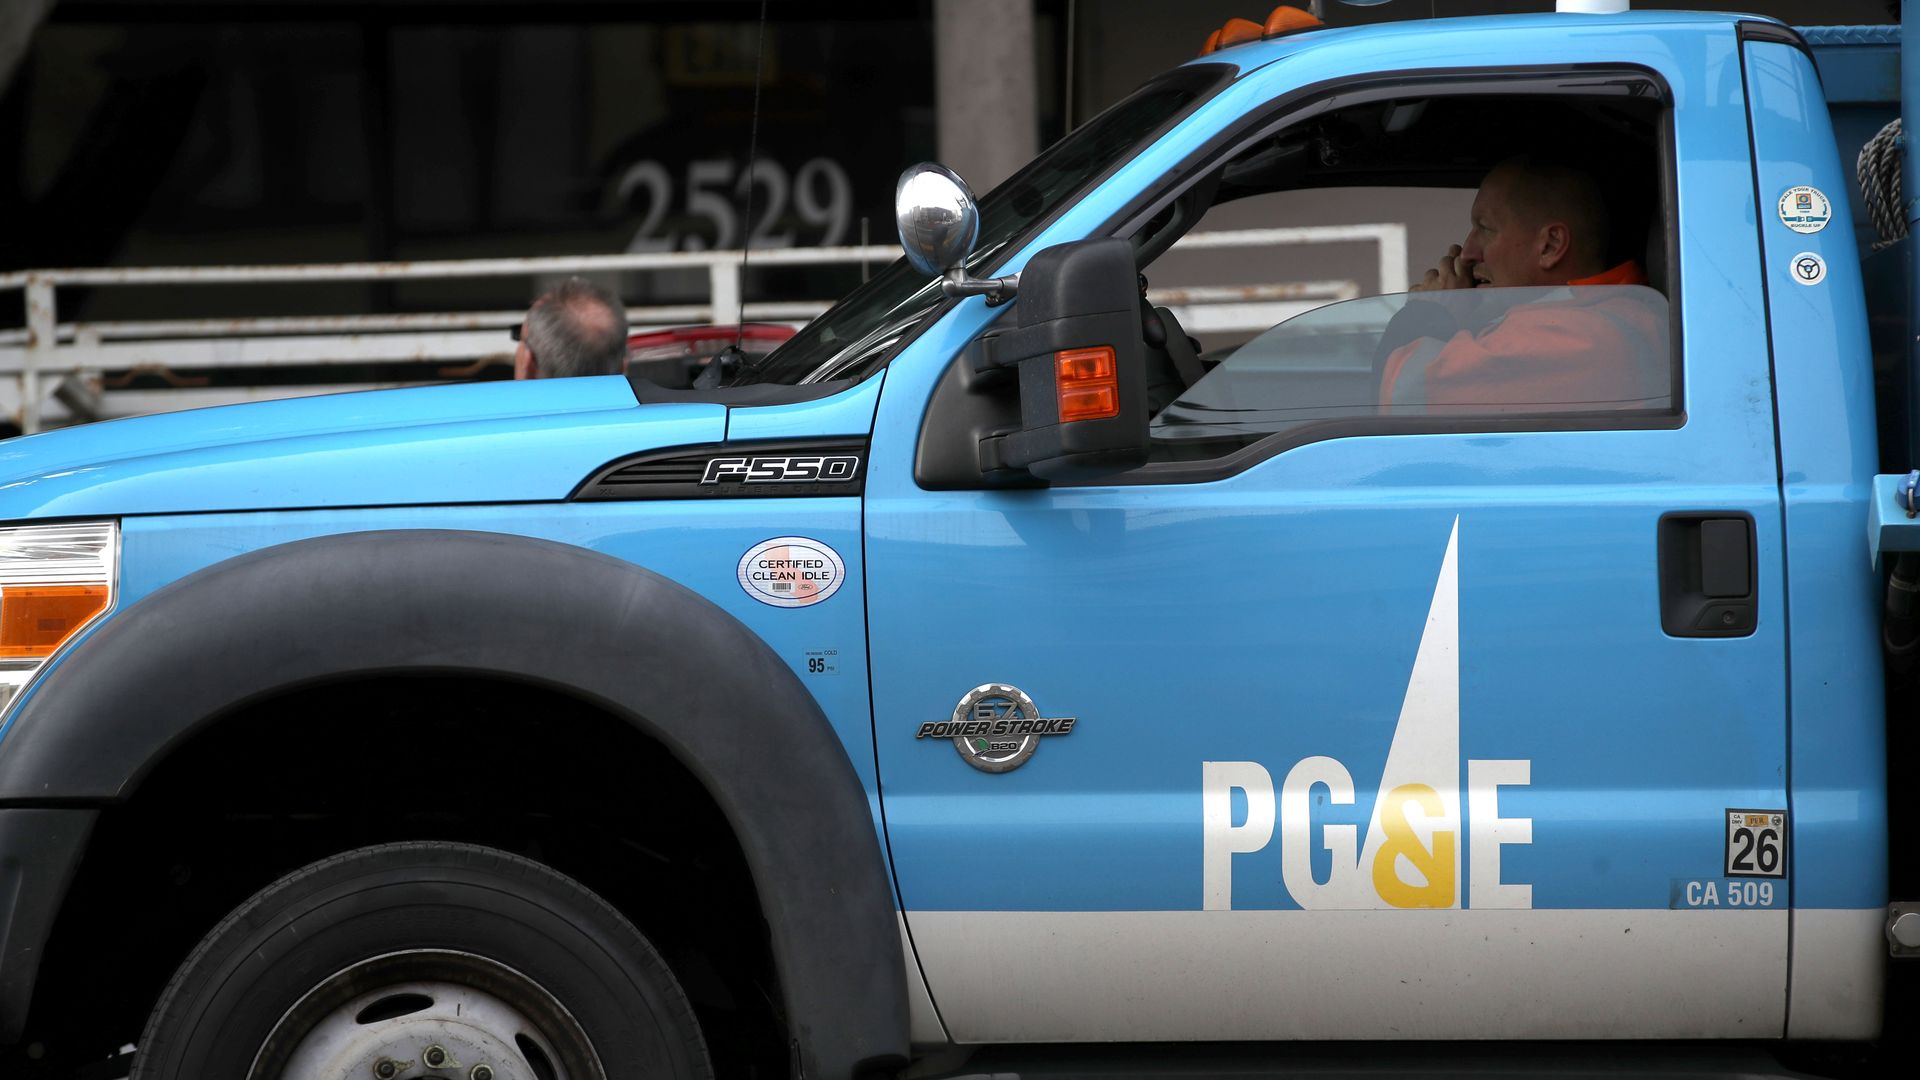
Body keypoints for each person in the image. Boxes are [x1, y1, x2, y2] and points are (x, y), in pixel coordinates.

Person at [1377, 155, 1665, 413]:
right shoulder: (1614, 312)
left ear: (1550, 245)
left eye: (1486, 229)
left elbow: (1397, 396)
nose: (1467, 252)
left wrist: (1428, 311)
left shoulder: (1574, 336)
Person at [513, 277, 631, 379]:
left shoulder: (498, 403)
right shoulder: (646, 401)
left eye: (519, 336)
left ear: (528, 365)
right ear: (623, 365)